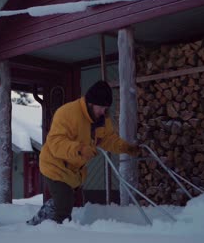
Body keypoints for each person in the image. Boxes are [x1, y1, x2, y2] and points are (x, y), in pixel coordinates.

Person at [31, 80, 139, 225]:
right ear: (90, 103)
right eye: (100, 107)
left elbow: (108, 139)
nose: (103, 111)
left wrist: (126, 148)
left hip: (73, 170)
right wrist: (80, 149)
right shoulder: (67, 113)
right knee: (65, 206)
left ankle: (43, 217)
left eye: (106, 108)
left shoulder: (101, 119)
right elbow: (55, 143)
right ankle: (56, 237)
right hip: (54, 165)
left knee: (64, 199)